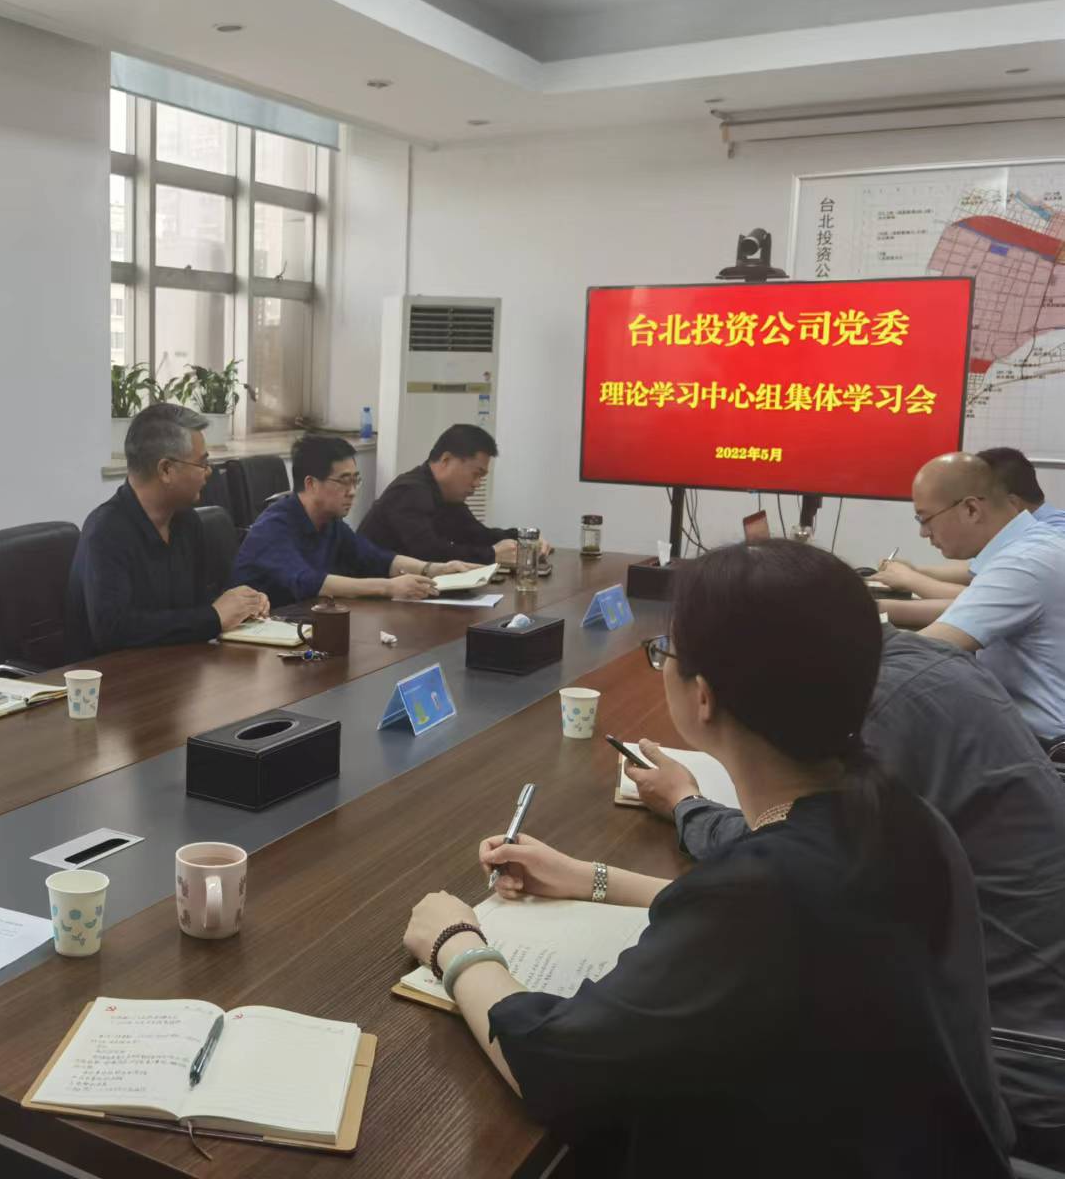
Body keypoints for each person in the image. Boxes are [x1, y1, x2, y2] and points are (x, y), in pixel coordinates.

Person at [400, 540, 1012, 1176]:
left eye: (667, 650)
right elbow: (782, 924)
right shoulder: (899, 811)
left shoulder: (762, 900)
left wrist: (456, 943)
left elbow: (554, 1067)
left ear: (704, 697)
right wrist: (588, 878)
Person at [628, 624, 1065, 1166]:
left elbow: (795, 853)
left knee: (695, 1071)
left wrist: (686, 804)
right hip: (1008, 1006)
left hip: (1019, 1065)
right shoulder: (926, 662)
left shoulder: (873, 716)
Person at [883, 453, 1065, 748]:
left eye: (925, 519)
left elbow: (925, 650)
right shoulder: (1031, 545)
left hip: (1046, 746)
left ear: (971, 509)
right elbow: (962, 611)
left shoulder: (1024, 562)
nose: (923, 533)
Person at [66, 404, 268, 656]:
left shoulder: (187, 522)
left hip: (179, 665)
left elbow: (196, 608)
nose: (209, 472)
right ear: (166, 470)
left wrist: (241, 606)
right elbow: (113, 630)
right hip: (114, 675)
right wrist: (214, 616)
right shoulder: (105, 531)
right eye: (202, 463)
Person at [229, 434, 482, 607]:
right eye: (344, 481)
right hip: (254, 637)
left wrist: (435, 569)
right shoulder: (273, 527)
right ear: (311, 483)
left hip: (301, 625)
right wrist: (389, 588)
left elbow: (376, 558)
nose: (352, 491)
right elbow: (310, 582)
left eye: (355, 481)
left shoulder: (330, 523)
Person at [880, 446, 1065, 600]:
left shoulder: (1048, 540)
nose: (924, 533)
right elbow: (977, 573)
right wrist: (915, 572)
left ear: (1010, 503)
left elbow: (988, 599)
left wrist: (912, 580)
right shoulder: (1025, 538)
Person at [358, 423, 550, 564]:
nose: (477, 484)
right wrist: (492, 555)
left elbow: (479, 535)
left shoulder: (446, 495)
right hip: (370, 595)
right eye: (476, 474)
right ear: (446, 460)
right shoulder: (409, 491)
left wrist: (525, 538)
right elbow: (429, 554)